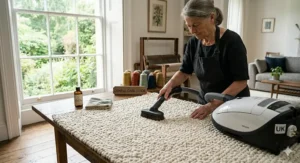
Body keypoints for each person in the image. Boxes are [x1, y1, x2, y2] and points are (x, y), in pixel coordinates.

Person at [158, 0, 250, 120]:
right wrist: (169, 84)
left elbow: (241, 82)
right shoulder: (193, 42)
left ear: (211, 17)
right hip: (205, 102)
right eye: (188, 26)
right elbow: (185, 71)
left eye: (196, 25)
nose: (192, 31)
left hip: (233, 104)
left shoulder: (232, 41)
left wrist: (211, 106)